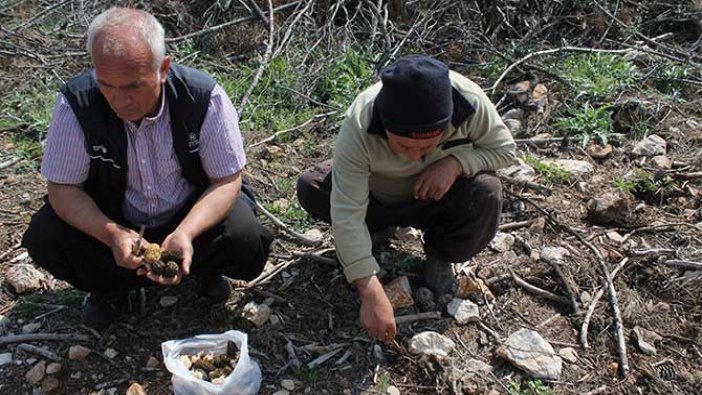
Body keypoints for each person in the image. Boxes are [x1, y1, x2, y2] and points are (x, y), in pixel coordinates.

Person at [21, 7, 273, 329]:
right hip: (116, 220)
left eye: (132, 86)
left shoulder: (203, 97)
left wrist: (186, 232)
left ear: (163, 69)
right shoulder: (77, 103)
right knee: (46, 236)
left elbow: (226, 181)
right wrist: (111, 234)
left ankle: (200, 270)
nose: (119, 100)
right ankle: (108, 288)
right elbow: (62, 189)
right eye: (107, 85)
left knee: (245, 237)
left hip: (189, 215)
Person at [296, 55, 515, 342]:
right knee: (311, 185)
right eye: (402, 145)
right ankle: (376, 231)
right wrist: (368, 286)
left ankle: (441, 254)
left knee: (487, 190)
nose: (414, 156)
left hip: (436, 200)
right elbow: (347, 211)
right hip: (377, 198)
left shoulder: (469, 101)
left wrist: (455, 164)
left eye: (426, 146)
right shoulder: (361, 120)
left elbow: (505, 150)